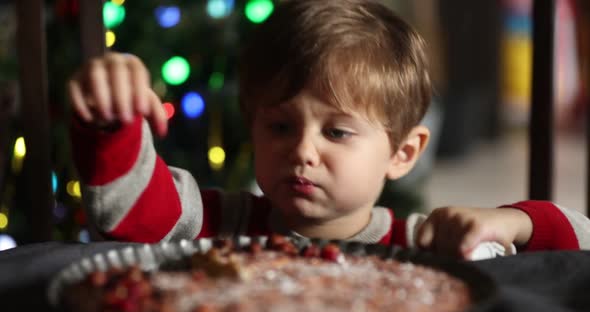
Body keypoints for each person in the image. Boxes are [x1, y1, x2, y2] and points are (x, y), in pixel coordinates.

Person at [68, 0, 589, 259]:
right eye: (279, 125)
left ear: (403, 153)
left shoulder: (422, 244)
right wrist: (113, 118)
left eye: (336, 132)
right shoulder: (213, 222)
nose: (302, 150)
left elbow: (579, 247)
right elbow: (131, 213)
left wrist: (509, 224)